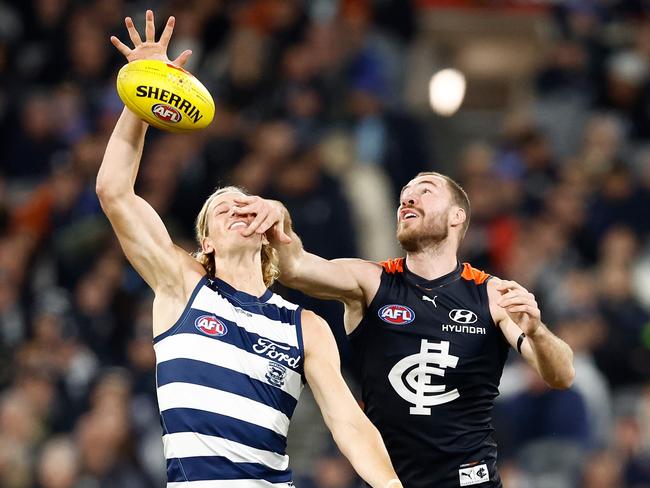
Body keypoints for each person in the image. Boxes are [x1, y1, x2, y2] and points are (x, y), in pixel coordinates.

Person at [98, 11, 403, 488]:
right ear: (206, 243)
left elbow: (348, 421)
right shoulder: (182, 286)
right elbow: (114, 191)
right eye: (222, 208)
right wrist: (143, 92)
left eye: (246, 204)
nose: (237, 207)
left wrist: (390, 486)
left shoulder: (305, 325)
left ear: (264, 231)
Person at [233, 172, 576, 487]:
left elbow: (561, 375)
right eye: (404, 196)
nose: (408, 200)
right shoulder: (370, 281)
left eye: (425, 191)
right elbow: (293, 266)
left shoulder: (491, 294)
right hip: (389, 482)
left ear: (457, 216)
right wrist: (276, 214)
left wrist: (538, 332)